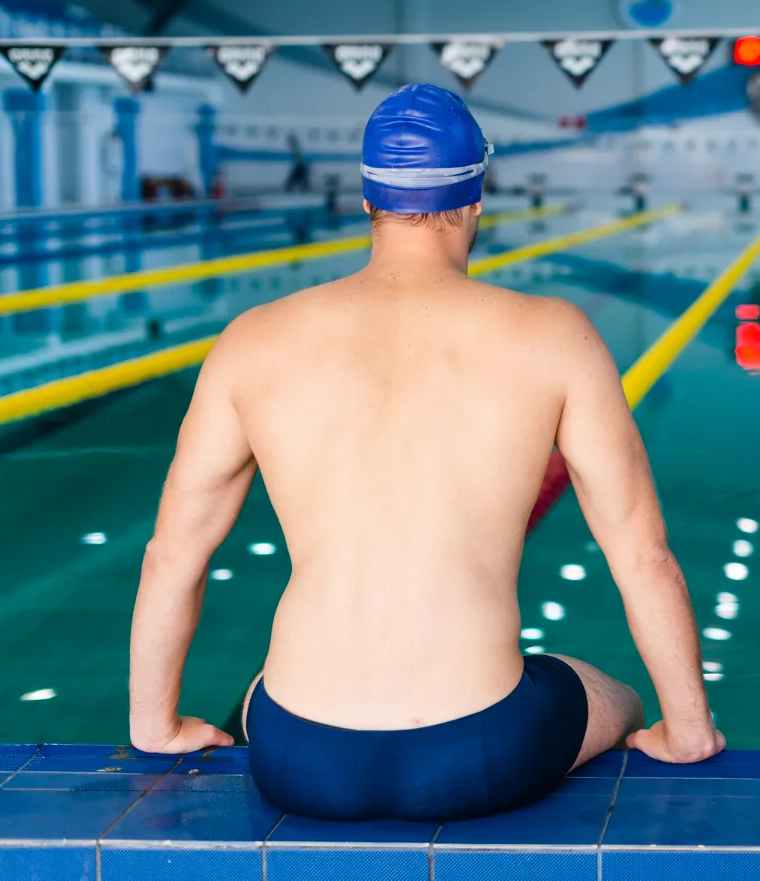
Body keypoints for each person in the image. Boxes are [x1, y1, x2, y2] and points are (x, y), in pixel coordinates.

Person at [128, 83, 724, 822]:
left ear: (368, 201)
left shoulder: (251, 339)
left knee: (259, 690)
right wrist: (688, 728)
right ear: (475, 200)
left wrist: (155, 726)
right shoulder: (555, 334)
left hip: (295, 752)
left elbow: (171, 554)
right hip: (480, 749)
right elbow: (643, 555)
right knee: (614, 693)